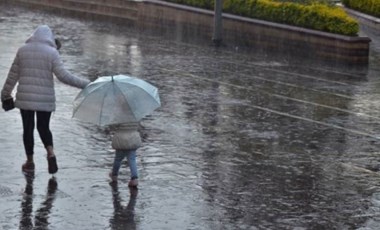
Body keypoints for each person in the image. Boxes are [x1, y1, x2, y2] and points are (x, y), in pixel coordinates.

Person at [1, 25, 90, 175]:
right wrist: (86, 84)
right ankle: (50, 153)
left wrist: (5, 94)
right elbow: (64, 76)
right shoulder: (52, 53)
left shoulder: (23, 50)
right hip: (45, 99)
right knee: (43, 127)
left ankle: (30, 162)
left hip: (26, 98)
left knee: (27, 129)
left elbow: (12, 75)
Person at [109, 123, 141, 187]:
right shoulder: (134, 116)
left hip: (120, 139)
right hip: (132, 139)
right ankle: (134, 179)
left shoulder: (119, 116)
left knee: (118, 159)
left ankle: (114, 175)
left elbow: (114, 126)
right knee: (132, 159)